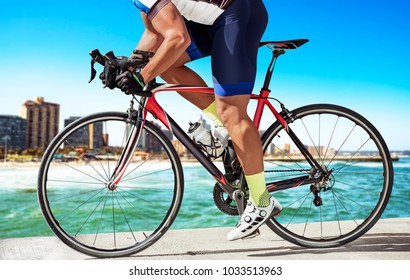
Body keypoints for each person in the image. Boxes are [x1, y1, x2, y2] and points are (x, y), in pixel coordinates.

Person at [115, 0, 282, 241]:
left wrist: (142, 77)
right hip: (213, 21)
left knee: (232, 111)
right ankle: (224, 128)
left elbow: (177, 38)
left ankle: (262, 201)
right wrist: (127, 67)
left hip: (237, 12)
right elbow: (153, 34)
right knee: (165, 65)